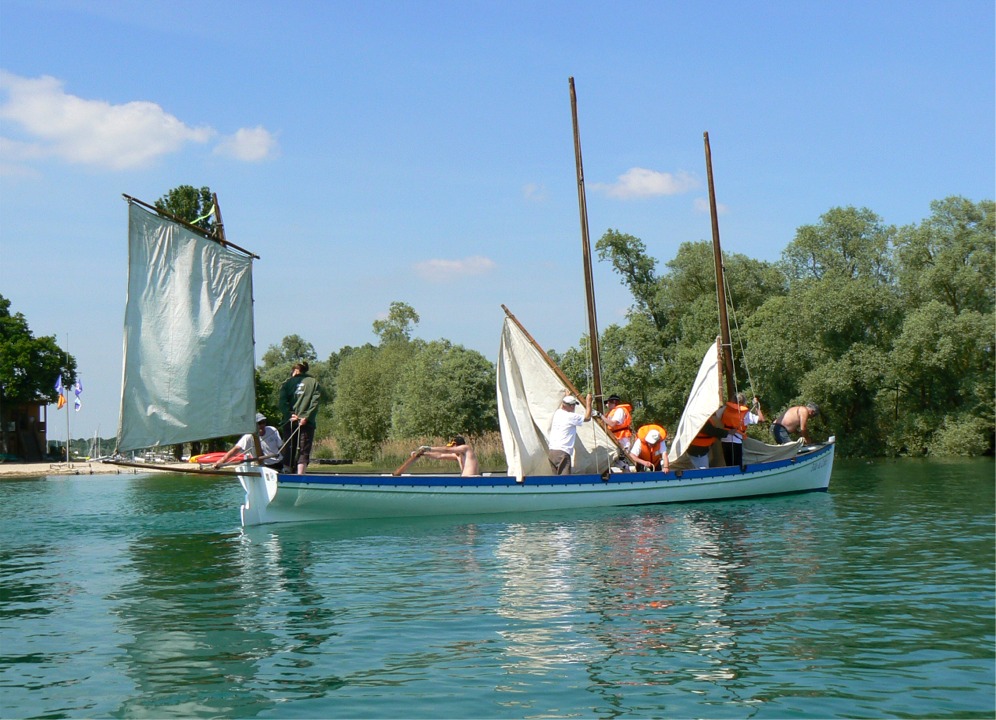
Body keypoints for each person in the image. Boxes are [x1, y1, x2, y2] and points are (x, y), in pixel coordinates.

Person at [278, 361, 321, 474]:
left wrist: (289, 415)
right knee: (303, 450)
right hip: (307, 422)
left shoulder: (287, 383)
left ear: (296, 370)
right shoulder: (313, 382)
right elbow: (315, 403)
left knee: (289, 447)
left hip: (290, 421)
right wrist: (306, 417)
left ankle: (287, 471)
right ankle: (300, 475)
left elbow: (282, 402)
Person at [213, 413, 283, 469]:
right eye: (259, 423)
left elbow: (282, 447)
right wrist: (221, 462)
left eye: (263, 422)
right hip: (263, 467)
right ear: (253, 425)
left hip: (278, 463)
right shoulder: (248, 437)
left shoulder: (272, 430)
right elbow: (235, 450)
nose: (261, 425)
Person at [547, 393, 593, 475]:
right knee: (565, 481)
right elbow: (587, 417)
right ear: (571, 406)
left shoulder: (558, 412)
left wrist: (566, 396)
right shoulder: (571, 416)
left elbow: (563, 406)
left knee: (556, 481)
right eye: (574, 406)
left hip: (552, 452)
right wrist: (588, 402)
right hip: (562, 452)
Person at [721, 392, 765, 467]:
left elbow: (715, 416)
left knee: (728, 464)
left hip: (724, 439)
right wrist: (757, 407)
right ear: (743, 402)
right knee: (737, 466)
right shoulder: (746, 414)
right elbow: (761, 419)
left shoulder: (725, 409)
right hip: (736, 441)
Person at [415, 435, 480, 477]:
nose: (451, 448)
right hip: (465, 481)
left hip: (472, 480)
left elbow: (447, 450)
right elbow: (440, 455)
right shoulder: (458, 455)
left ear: (456, 445)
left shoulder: (466, 448)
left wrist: (428, 448)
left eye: (452, 446)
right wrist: (423, 454)